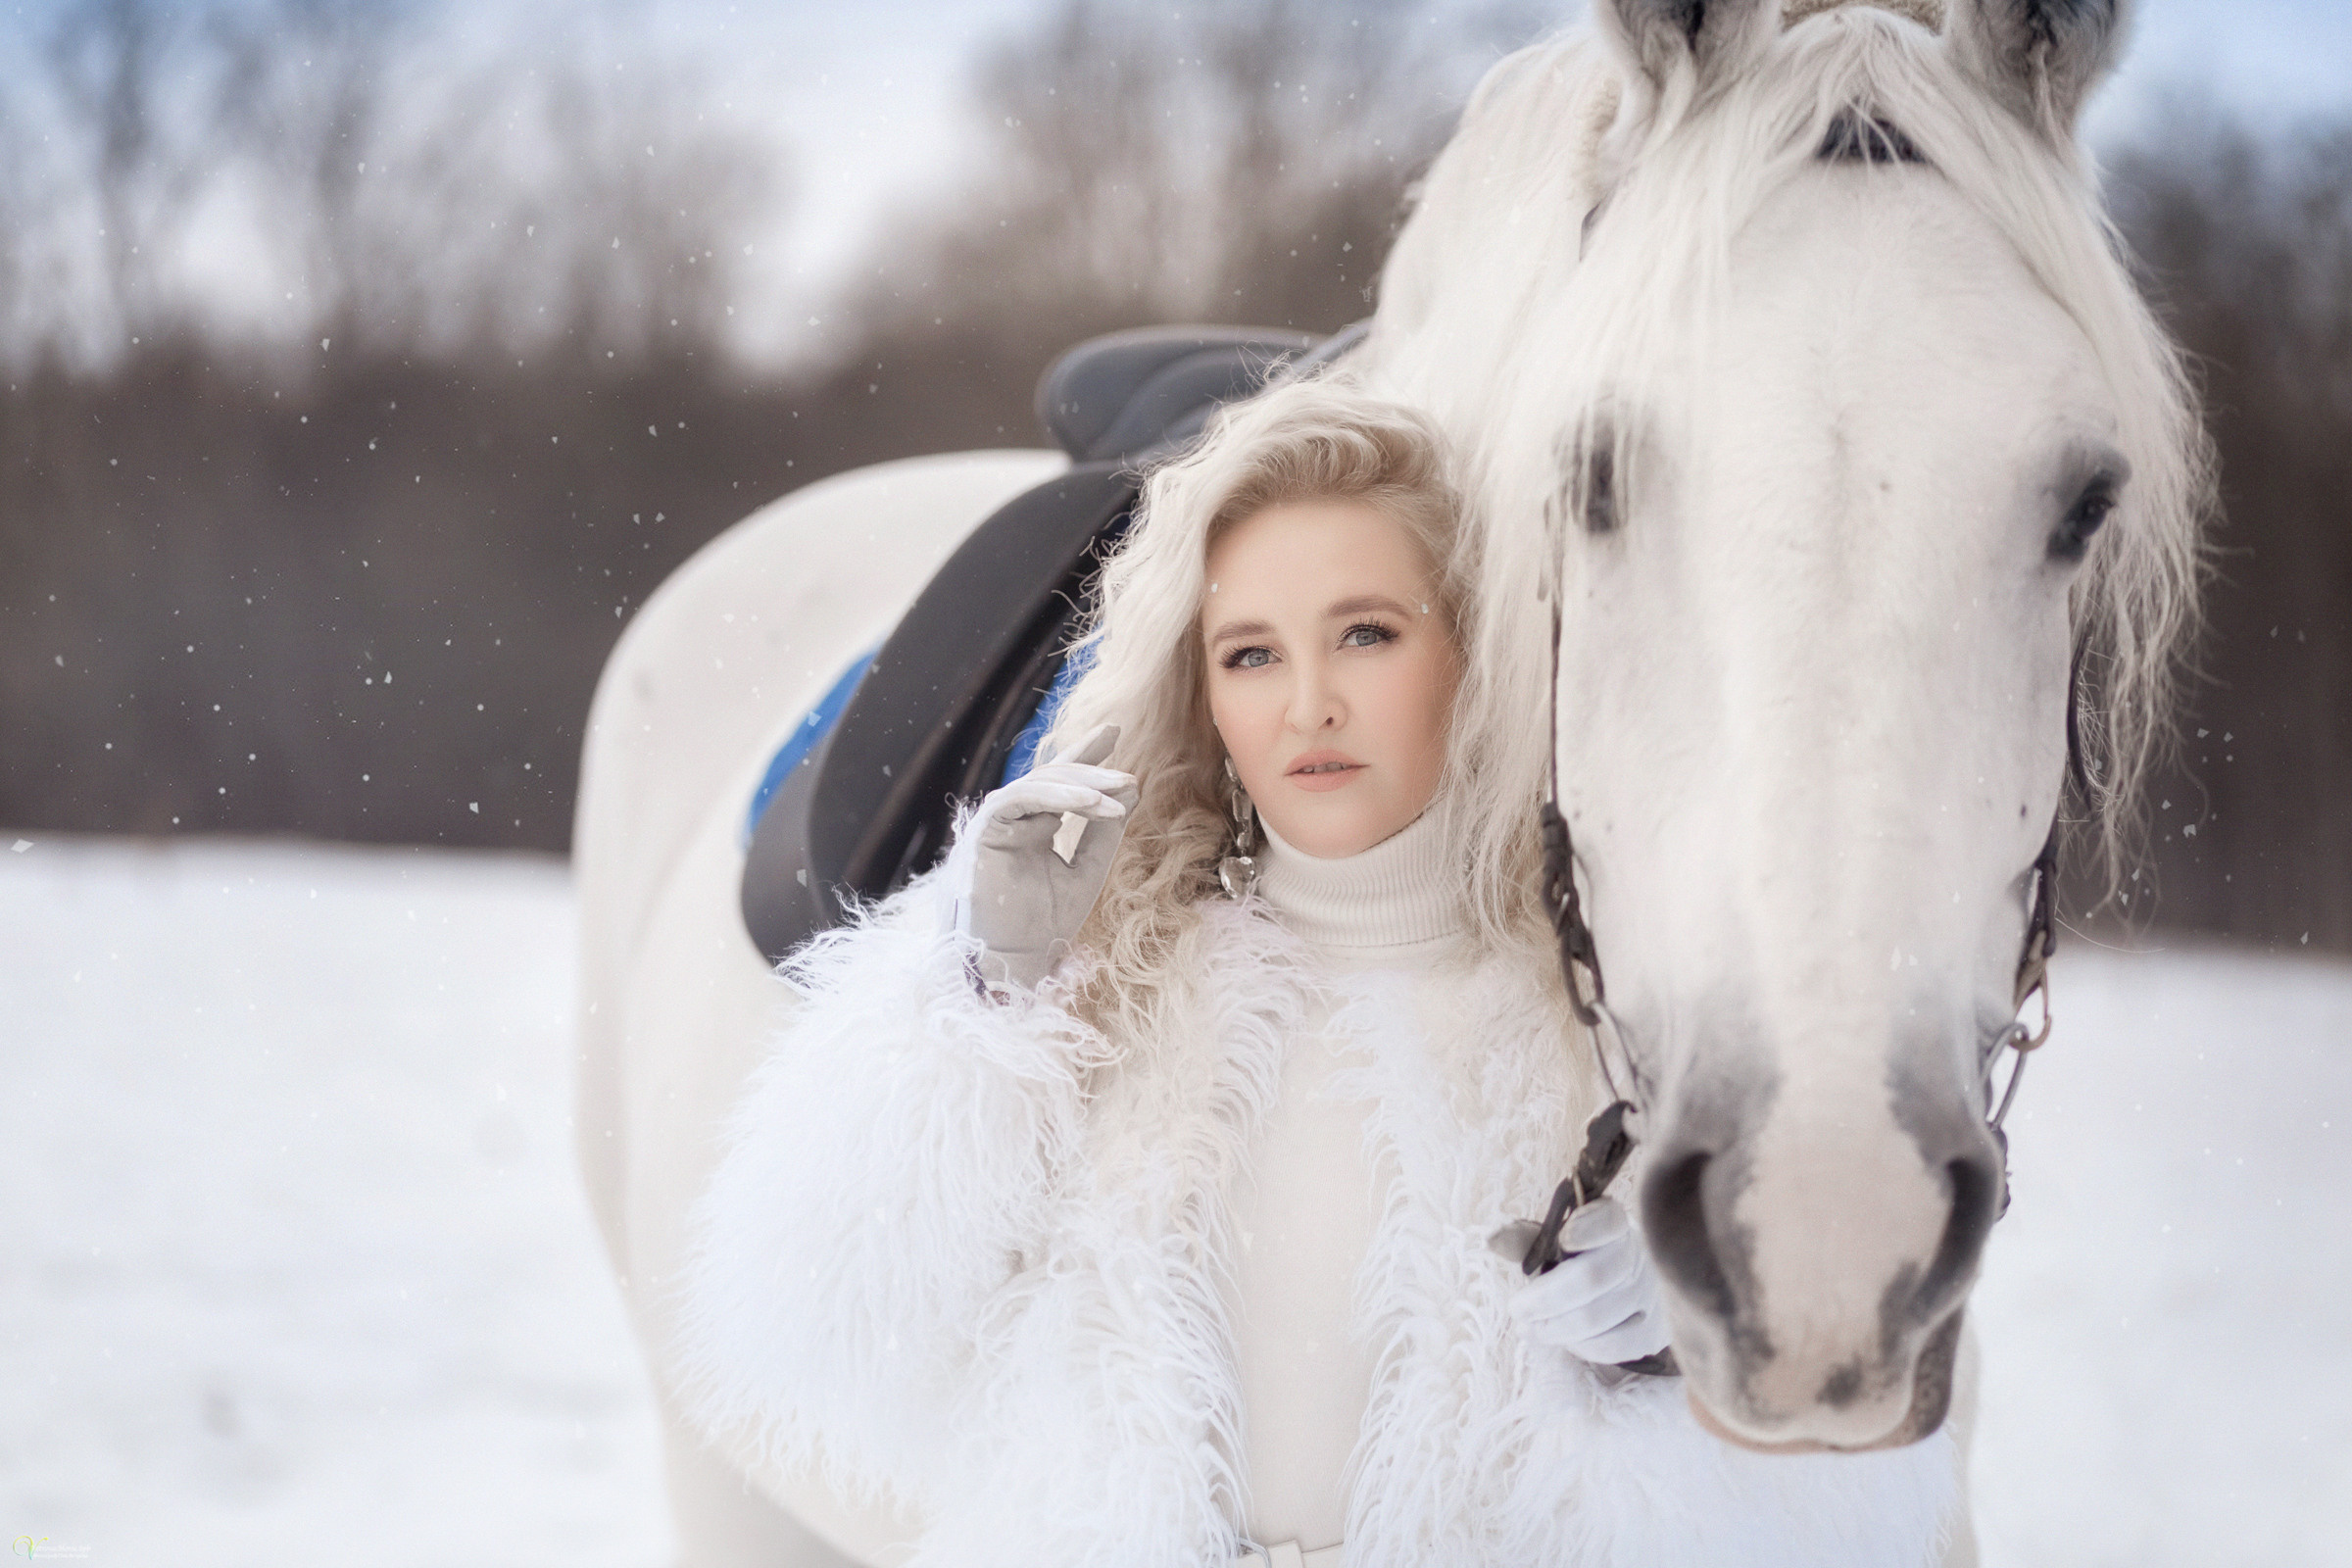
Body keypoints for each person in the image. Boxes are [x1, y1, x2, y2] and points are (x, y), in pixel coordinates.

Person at [676, 378, 1943, 1567]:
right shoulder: (1104, 992)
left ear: (1475, 653)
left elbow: (1850, 1494)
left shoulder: (1614, 1025)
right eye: (1253, 654)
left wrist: (1688, 1352)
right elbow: (819, 1332)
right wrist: (979, 993)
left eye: (1368, 635)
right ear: (1203, 686)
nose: (1309, 705)